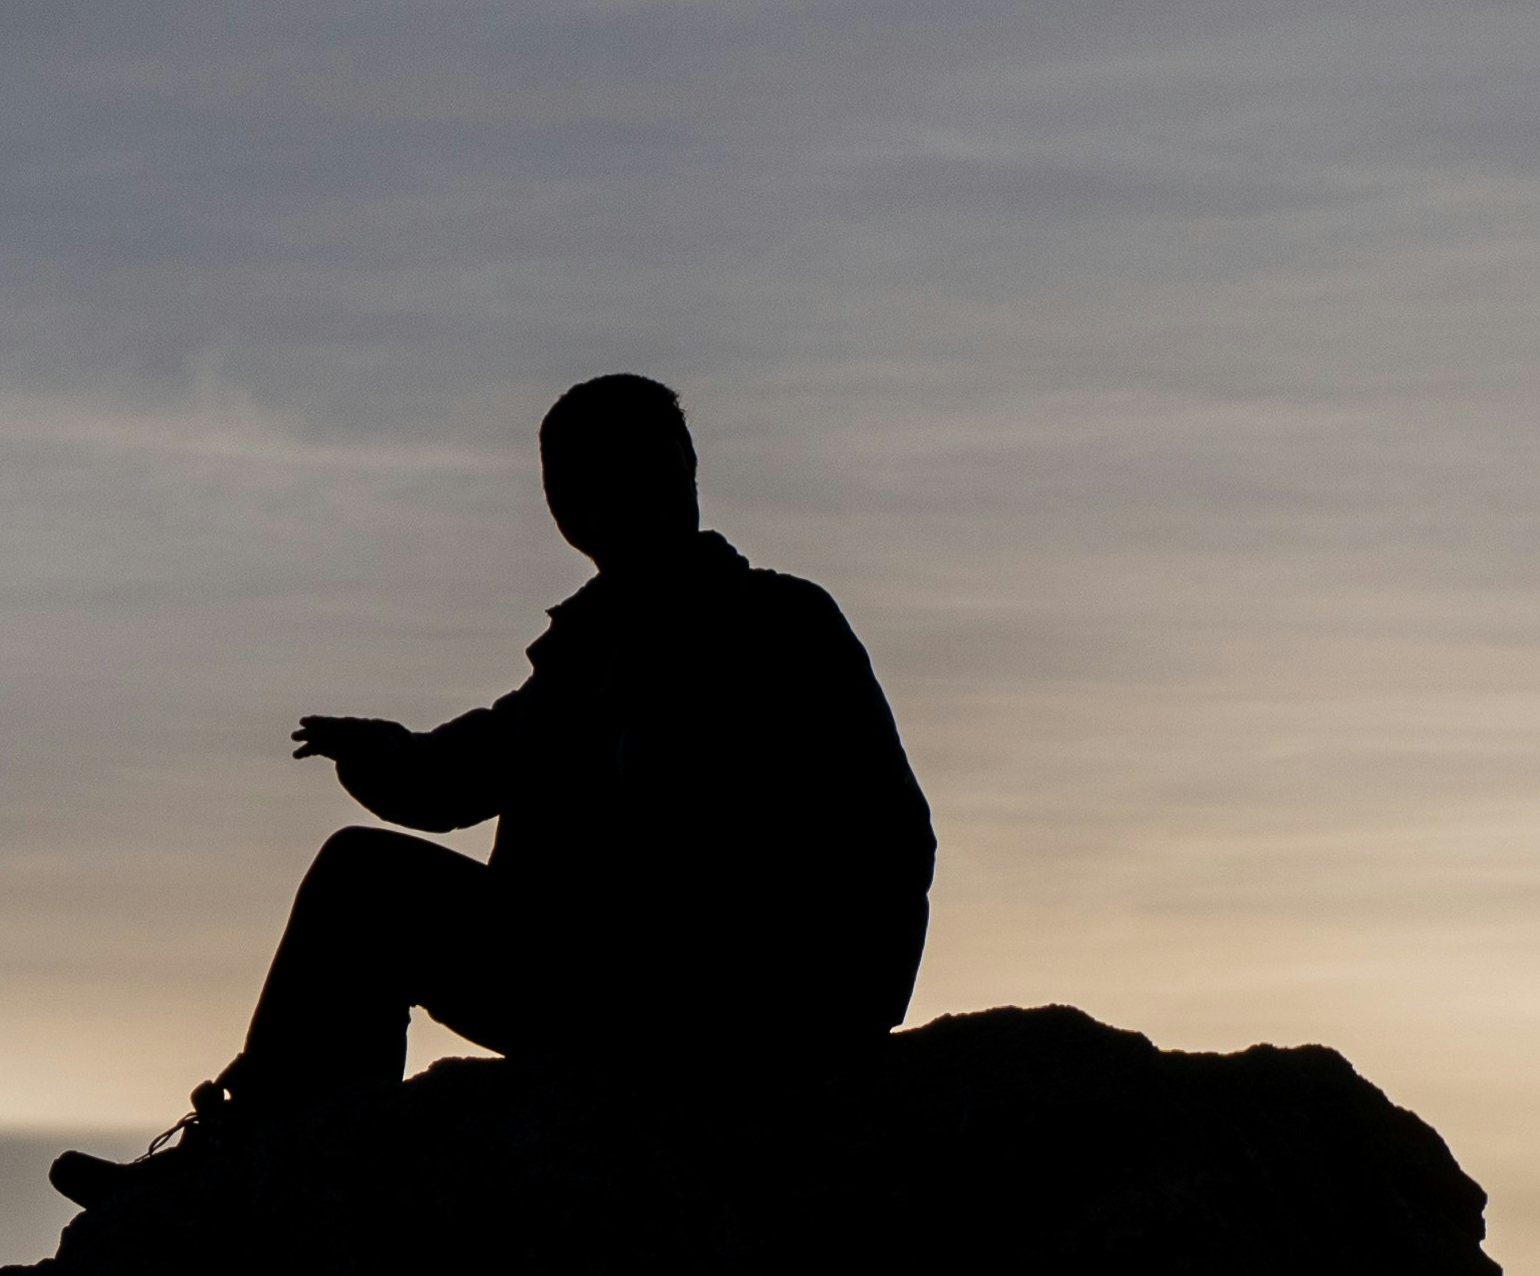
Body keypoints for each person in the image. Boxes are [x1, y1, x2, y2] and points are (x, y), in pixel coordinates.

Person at [53, 374, 932, 1206]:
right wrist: (384, 754)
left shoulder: (782, 622)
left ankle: (268, 1164)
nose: (630, 497)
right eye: (595, 481)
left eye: (649, 468)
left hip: (723, 1004)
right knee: (361, 880)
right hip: (584, 981)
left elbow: (892, 840)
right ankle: (268, 1156)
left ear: (686, 472)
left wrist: (828, 1027)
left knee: (362, 882)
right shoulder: (583, 658)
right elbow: (465, 770)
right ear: (567, 507)